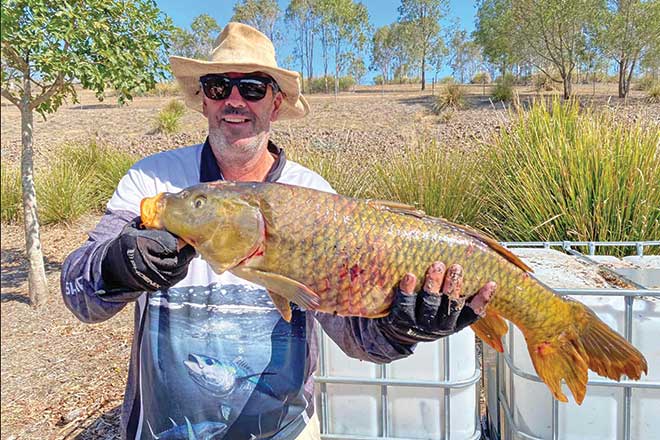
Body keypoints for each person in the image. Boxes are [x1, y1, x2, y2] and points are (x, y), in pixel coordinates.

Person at [61, 22, 496, 440]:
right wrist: (119, 265)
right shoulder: (154, 182)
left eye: (252, 88)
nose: (235, 100)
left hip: (286, 431)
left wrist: (406, 327)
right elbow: (79, 294)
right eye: (219, 87)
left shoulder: (315, 197)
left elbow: (360, 339)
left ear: (275, 103)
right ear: (204, 99)